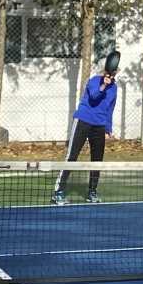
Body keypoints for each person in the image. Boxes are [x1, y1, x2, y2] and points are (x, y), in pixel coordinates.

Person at [53, 49, 121, 205]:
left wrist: (108, 127)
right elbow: (94, 97)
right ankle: (58, 192)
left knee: (97, 160)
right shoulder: (93, 81)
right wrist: (103, 86)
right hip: (83, 121)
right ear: (105, 69)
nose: (115, 71)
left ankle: (92, 192)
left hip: (99, 125)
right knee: (72, 156)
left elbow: (110, 108)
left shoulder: (115, 87)